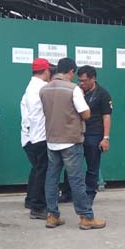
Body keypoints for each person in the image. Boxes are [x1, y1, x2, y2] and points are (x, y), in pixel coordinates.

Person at [40, 57, 105, 230]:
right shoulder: (73, 89)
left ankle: (52, 216)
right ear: (71, 71)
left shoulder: (44, 89)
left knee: (51, 179)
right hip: (70, 140)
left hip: (52, 140)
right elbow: (86, 114)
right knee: (77, 181)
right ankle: (86, 217)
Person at [58, 65, 113, 207]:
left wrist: (105, 138)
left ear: (93, 79)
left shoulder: (103, 94)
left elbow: (106, 117)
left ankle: (89, 196)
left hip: (94, 135)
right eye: (79, 80)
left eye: (84, 81)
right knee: (71, 165)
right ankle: (67, 193)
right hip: (76, 134)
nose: (81, 83)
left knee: (92, 167)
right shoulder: (76, 91)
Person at [20, 58, 51, 220]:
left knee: (37, 169)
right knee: (42, 170)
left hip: (30, 136)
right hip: (40, 136)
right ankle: (38, 206)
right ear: (45, 71)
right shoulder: (42, 88)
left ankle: (31, 200)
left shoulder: (30, 88)